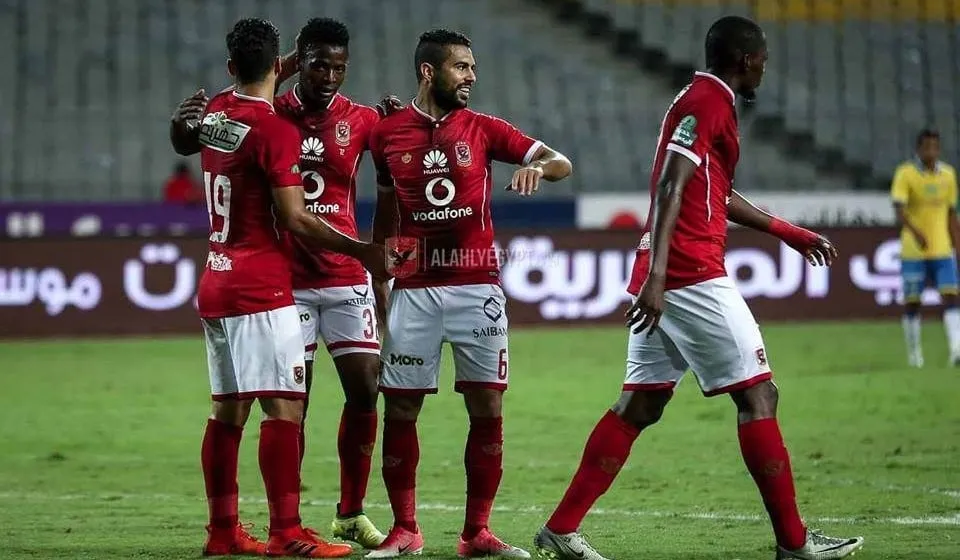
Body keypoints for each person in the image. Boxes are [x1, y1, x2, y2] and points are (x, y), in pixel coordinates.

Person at [532, 16, 864, 560]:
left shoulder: (709, 101)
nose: (765, 66)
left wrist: (789, 233)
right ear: (743, 58)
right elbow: (670, 183)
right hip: (688, 272)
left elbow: (719, 193)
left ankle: (561, 529)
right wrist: (660, 276)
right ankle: (794, 544)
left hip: (675, 269)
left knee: (640, 404)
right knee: (759, 395)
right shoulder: (706, 101)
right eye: (761, 57)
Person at [171, 18, 404, 551]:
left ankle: (224, 532)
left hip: (219, 280)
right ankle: (287, 532)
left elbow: (186, 136)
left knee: (228, 409)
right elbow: (296, 219)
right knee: (285, 408)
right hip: (268, 286)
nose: (329, 75)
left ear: (232, 67)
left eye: (339, 67)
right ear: (287, 63)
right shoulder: (274, 124)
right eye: (314, 62)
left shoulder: (218, 112)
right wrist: (368, 252)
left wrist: (179, 124)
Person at [365, 29, 572, 559]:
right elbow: (385, 214)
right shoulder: (386, 135)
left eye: (473, 68)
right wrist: (381, 279)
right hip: (414, 289)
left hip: (476, 286)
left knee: (487, 404)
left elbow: (561, 162)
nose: (472, 77)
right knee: (402, 409)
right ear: (429, 72)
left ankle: (476, 533)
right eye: (461, 67)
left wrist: (534, 166)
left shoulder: (483, 128)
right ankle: (405, 529)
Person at [891, 129, 960, 367]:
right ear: (919, 149)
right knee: (913, 302)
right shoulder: (906, 173)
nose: (931, 151)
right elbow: (899, 209)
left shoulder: (948, 175)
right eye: (927, 147)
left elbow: (952, 213)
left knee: (951, 296)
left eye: (935, 147)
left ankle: (956, 350)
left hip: (942, 248)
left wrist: (957, 244)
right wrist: (916, 231)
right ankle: (915, 355)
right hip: (914, 249)